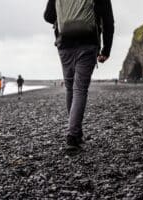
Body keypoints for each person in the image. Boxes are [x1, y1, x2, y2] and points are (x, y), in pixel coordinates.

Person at [44, 0, 115, 148]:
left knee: (70, 88)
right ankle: (72, 135)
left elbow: (48, 15)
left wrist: (67, 20)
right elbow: (108, 21)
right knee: (80, 89)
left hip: (64, 44)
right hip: (88, 43)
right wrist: (106, 50)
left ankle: (76, 133)